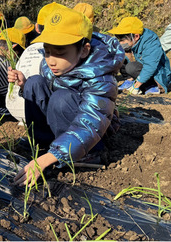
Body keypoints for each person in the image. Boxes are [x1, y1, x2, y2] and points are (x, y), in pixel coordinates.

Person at [8, 7, 124, 186]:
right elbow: (45, 91)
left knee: (60, 98)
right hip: (62, 120)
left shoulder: (101, 77)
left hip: (91, 135)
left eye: (60, 52)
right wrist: (24, 84)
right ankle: (44, 145)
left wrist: (47, 160)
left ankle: (87, 155)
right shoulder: (52, 65)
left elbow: (91, 120)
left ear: (84, 50)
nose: (51, 60)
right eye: (47, 51)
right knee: (34, 83)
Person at [6, 2, 66, 122]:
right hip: (46, 114)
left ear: (37, 27)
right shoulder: (71, 52)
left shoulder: (28, 49)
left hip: (15, 110)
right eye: (47, 53)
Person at [109, 17, 171, 95]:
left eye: (122, 40)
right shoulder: (133, 41)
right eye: (119, 39)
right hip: (144, 68)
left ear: (136, 36)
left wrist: (136, 86)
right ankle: (129, 81)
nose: (120, 42)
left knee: (132, 68)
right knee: (120, 54)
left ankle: (152, 85)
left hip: (159, 75)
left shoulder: (151, 42)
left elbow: (150, 66)